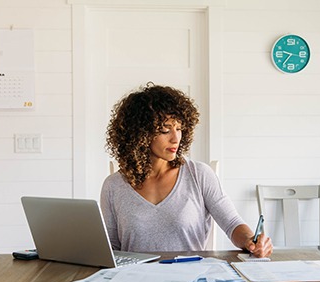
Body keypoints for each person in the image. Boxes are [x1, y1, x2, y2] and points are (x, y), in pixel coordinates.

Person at [100, 82, 273, 258]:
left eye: (179, 129)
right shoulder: (113, 186)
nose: (176, 139)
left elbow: (232, 223)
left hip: (191, 279)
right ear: (140, 134)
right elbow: (111, 248)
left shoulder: (199, 174)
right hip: (134, 281)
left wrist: (251, 241)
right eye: (165, 130)